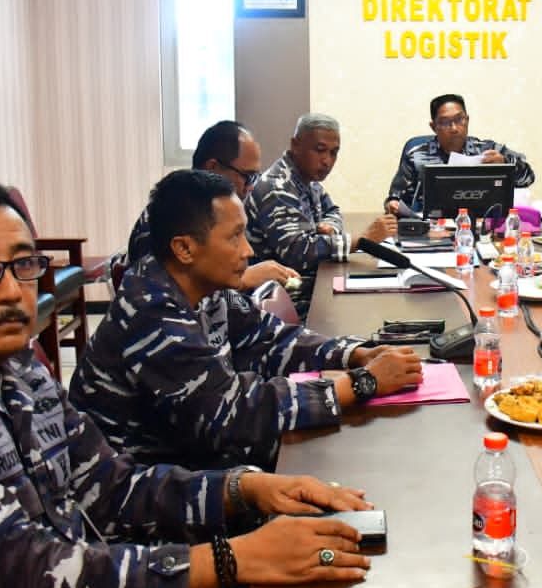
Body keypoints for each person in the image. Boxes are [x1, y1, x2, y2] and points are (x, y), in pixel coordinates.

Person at [0, 180, 374, 588]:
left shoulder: (17, 368)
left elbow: (109, 486)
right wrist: (229, 560)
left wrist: (245, 489)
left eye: (24, 266)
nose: (9, 291)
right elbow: (24, 572)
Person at [73, 170, 421, 472]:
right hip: (153, 492)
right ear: (185, 249)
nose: (248, 251)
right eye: (234, 237)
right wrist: (360, 384)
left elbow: (269, 338)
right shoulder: (152, 311)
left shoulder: (203, 288)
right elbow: (232, 414)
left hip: (198, 466)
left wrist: (355, 354)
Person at [117, 120, 298, 293]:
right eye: (247, 176)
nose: (251, 187)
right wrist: (243, 280)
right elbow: (162, 291)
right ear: (213, 168)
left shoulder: (224, 212)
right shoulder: (168, 217)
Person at [245, 114, 397, 313]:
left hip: (311, 287)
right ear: (295, 145)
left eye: (334, 153)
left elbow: (332, 211)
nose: (327, 161)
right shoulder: (277, 187)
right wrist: (362, 241)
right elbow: (298, 252)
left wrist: (329, 227)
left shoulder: (307, 180)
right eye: (319, 150)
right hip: (287, 301)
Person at [384, 93, 536, 215]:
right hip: (432, 229)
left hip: (482, 227)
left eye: (459, 120)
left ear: (467, 120)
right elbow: (395, 197)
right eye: (445, 122)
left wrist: (505, 163)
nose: (454, 128)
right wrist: (392, 204)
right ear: (433, 126)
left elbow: (528, 178)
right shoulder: (416, 156)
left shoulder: (488, 150)